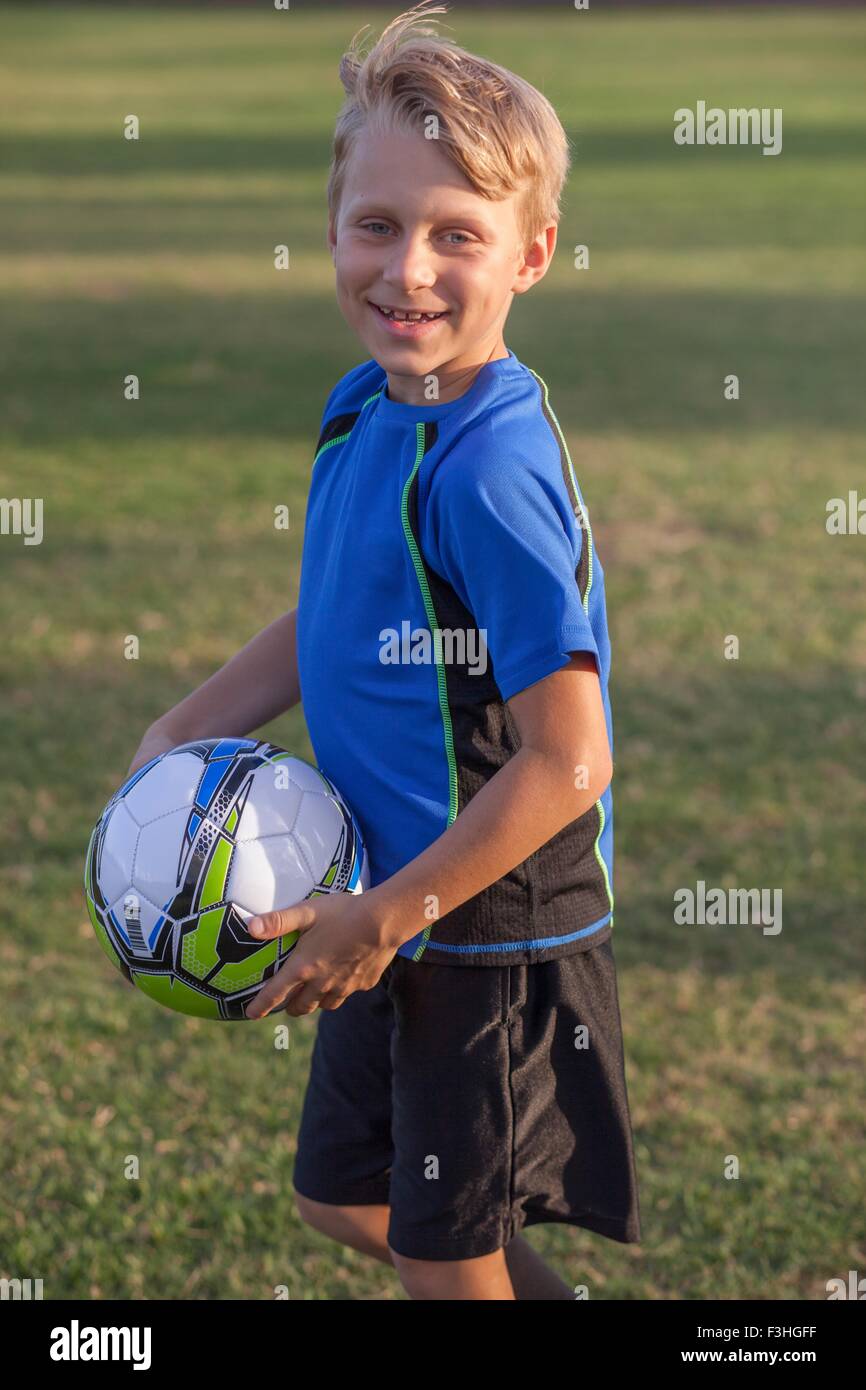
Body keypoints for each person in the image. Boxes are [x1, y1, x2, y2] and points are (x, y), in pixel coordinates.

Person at [129, 1, 641, 1300]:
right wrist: (189, 722)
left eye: (455, 236)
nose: (407, 269)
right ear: (332, 230)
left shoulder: (489, 465)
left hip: (477, 920)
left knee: (441, 1254)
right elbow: (340, 609)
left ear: (531, 256)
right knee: (343, 1195)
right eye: (377, 225)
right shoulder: (364, 405)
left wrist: (391, 913)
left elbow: (568, 759)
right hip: (380, 901)